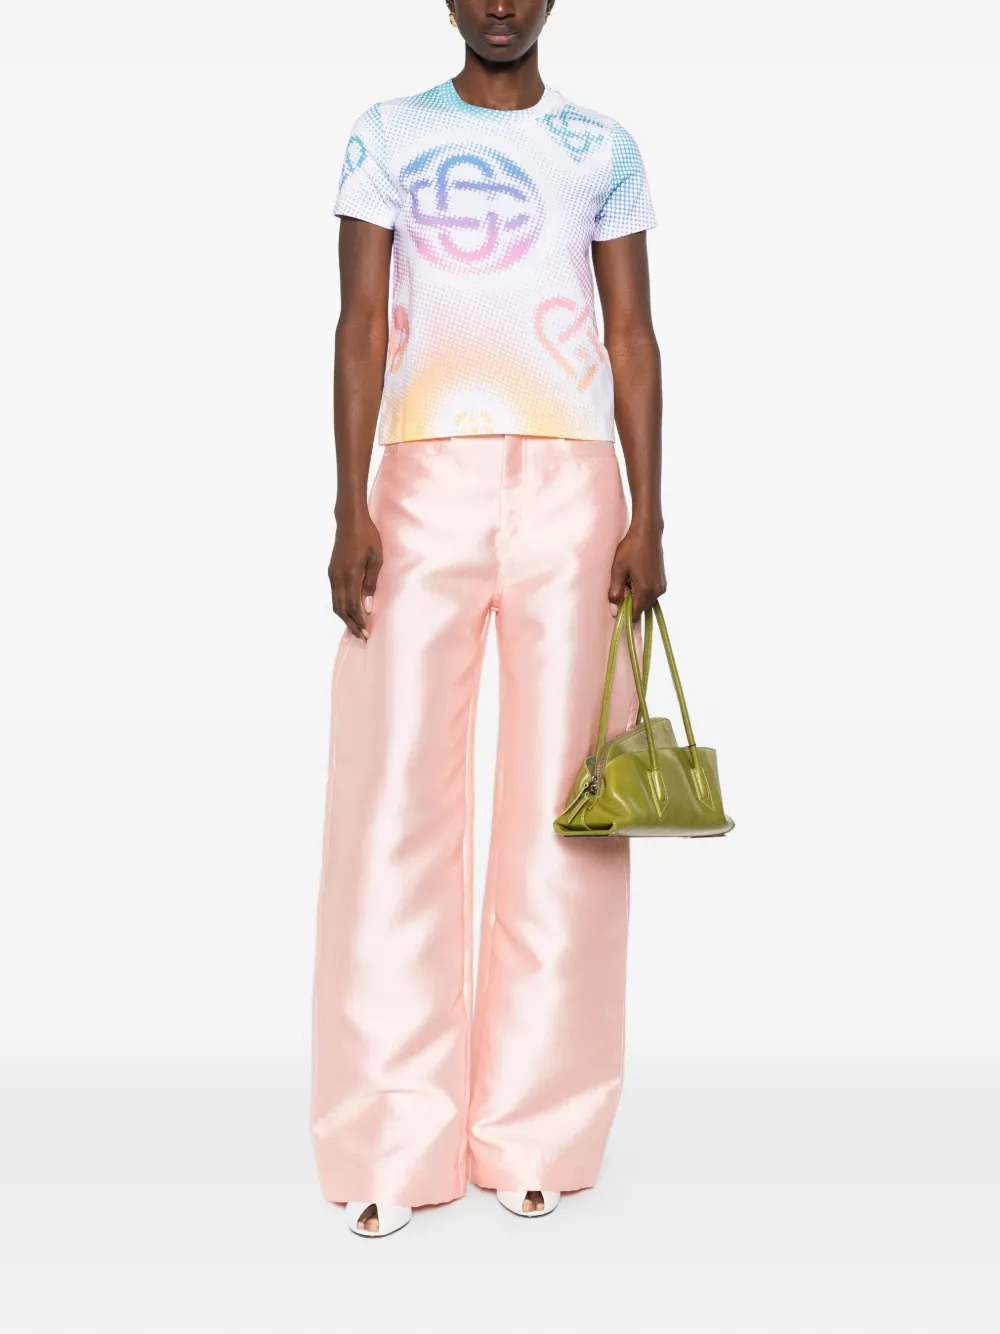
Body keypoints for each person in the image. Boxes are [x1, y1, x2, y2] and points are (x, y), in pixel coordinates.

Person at [311, 0, 665, 1238]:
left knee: (568, 811)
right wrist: (350, 505)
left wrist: (649, 513)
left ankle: (538, 1129)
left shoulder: (601, 146)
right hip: (420, 484)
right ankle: (386, 1136)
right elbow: (361, 326)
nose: (500, 4)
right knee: (394, 803)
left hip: (575, 489)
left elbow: (630, 334)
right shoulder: (387, 133)